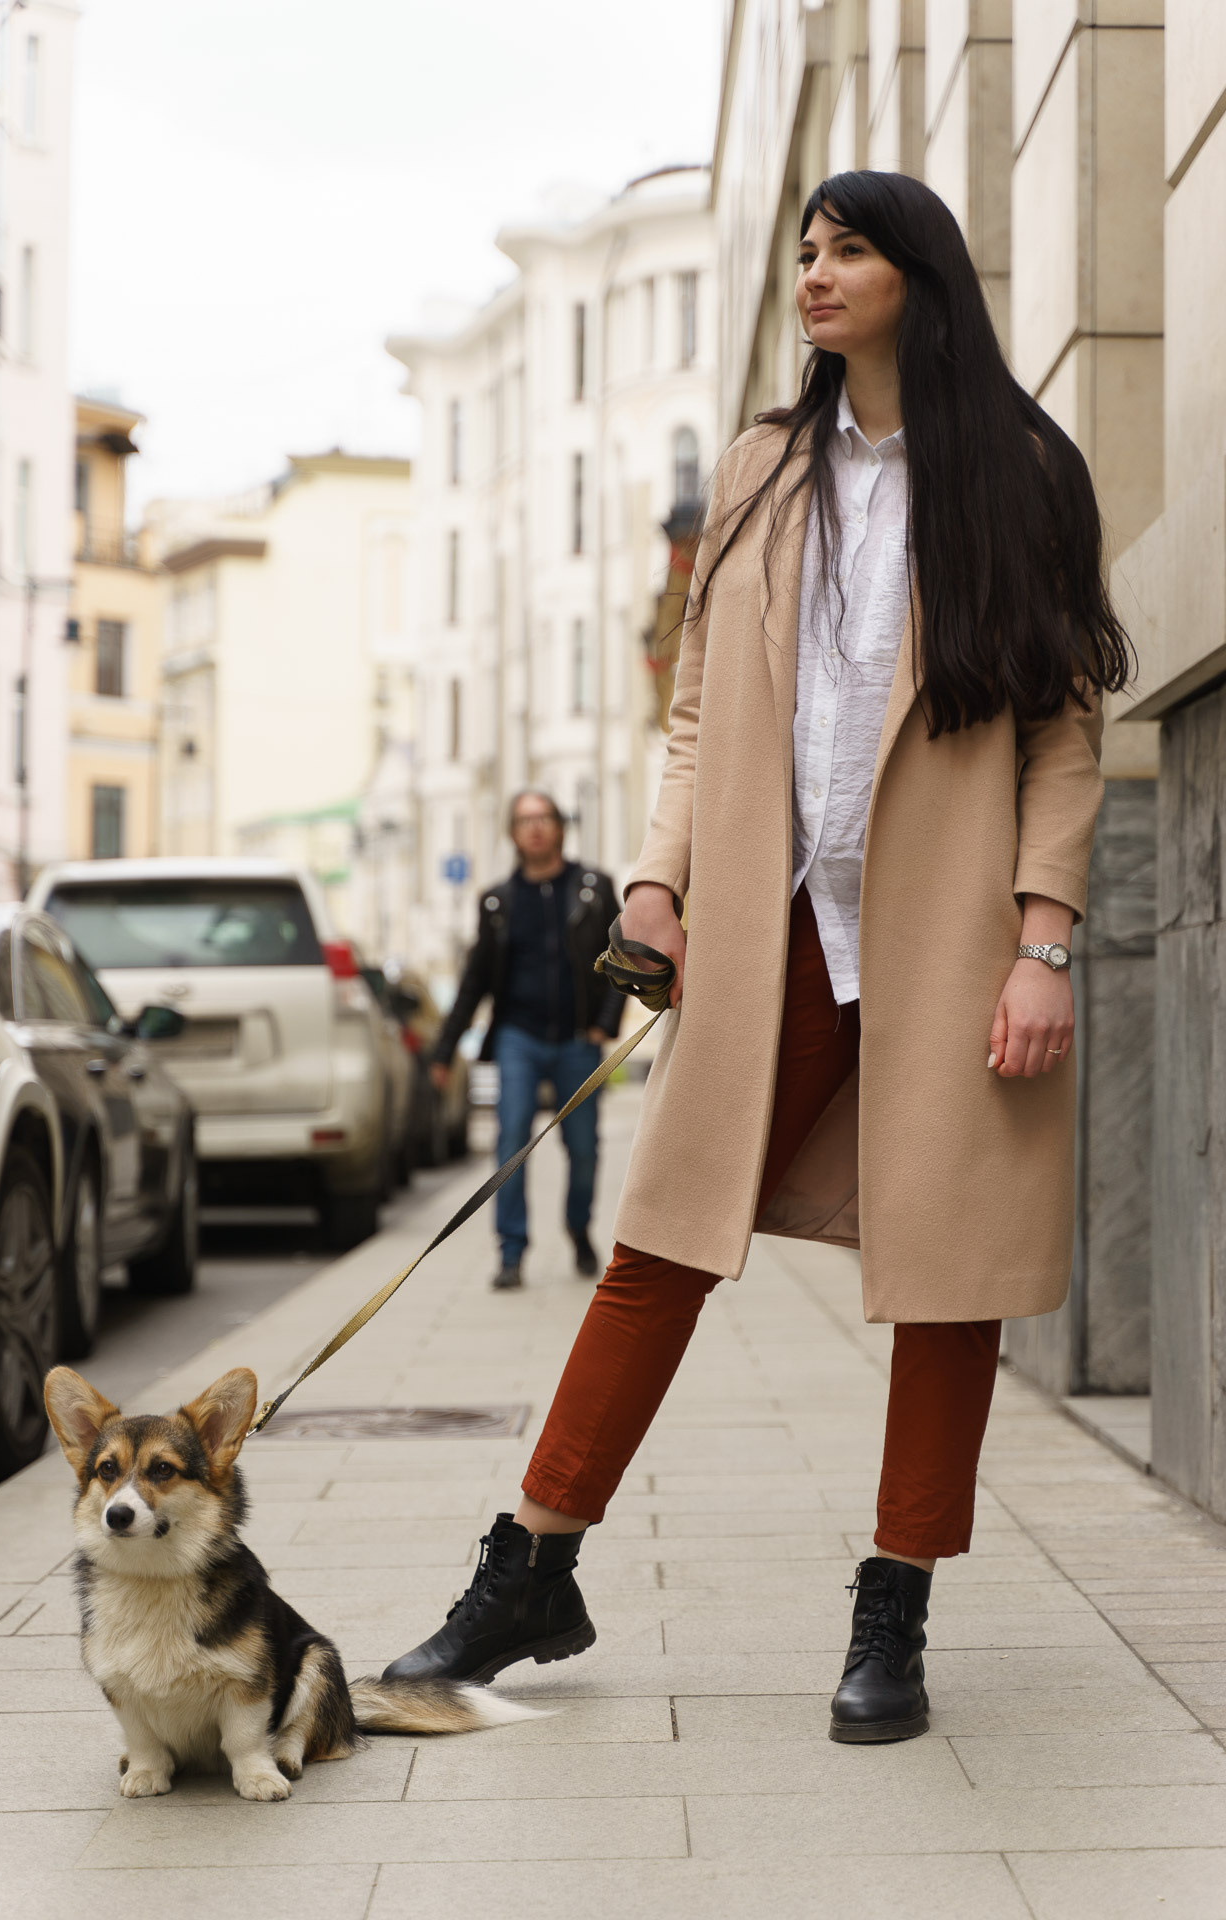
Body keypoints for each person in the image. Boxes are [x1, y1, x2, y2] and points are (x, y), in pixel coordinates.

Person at [387, 172, 1132, 1743]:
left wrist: (1042, 944)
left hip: (953, 934)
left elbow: (1067, 732)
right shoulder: (758, 473)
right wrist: (655, 887)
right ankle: (532, 1564)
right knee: (659, 1242)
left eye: (847, 248)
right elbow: (698, 712)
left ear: (918, 275)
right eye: (805, 248)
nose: (816, 272)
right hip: (776, 920)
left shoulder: (1024, 469)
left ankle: (895, 1609)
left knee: (950, 1279)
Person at [430, 790, 625, 1290]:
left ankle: (579, 1230)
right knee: (511, 1138)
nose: (535, 827)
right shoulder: (497, 902)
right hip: (518, 1036)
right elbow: (474, 980)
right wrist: (444, 1050)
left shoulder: (592, 887)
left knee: (583, 1149)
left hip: (578, 1039)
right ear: (512, 833)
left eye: (544, 818)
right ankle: (511, 1251)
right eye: (524, 820)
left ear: (560, 827)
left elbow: (622, 956)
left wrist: (607, 1020)